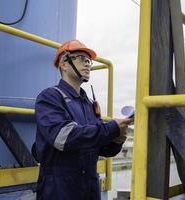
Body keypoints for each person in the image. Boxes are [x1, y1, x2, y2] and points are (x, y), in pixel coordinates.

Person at [35, 40, 132, 200]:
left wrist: (117, 139)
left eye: (89, 61)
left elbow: (102, 147)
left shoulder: (87, 103)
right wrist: (111, 128)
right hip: (59, 190)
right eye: (81, 58)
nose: (87, 64)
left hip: (89, 189)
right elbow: (63, 137)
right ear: (64, 64)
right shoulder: (49, 97)